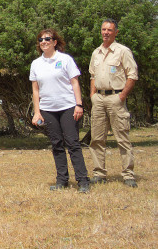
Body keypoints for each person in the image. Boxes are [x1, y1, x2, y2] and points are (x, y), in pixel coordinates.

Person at [30, 29, 89, 193]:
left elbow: (75, 82)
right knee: (56, 144)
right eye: (41, 39)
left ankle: (83, 181)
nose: (44, 41)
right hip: (48, 109)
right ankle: (62, 180)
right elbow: (35, 90)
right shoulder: (36, 64)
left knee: (73, 143)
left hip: (68, 107)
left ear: (55, 42)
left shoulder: (65, 60)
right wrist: (37, 112)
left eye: (47, 38)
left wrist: (79, 104)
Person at [88, 18, 139, 187]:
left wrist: (122, 96)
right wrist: (93, 95)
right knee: (97, 138)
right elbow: (93, 76)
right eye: (103, 30)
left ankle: (128, 175)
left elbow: (132, 75)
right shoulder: (96, 52)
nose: (106, 33)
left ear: (115, 32)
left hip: (116, 98)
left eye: (109, 30)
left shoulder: (123, 51)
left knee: (122, 138)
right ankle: (99, 173)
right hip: (99, 99)